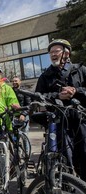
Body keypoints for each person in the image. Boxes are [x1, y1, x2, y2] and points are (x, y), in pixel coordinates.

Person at [35, 39, 86, 181]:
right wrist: (57, 95)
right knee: (65, 158)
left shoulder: (80, 70)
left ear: (66, 53)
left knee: (83, 155)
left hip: (81, 120)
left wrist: (76, 91)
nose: (52, 54)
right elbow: (39, 97)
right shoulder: (45, 76)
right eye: (50, 52)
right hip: (60, 122)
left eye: (56, 51)